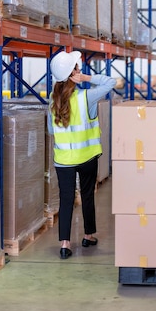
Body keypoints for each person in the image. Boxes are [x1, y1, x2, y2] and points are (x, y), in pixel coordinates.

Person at [48, 50, 116, 259]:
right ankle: (88, 235)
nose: (81, 69)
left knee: (66, 199)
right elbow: (110, 82)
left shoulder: (53, 101)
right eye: (77, 68)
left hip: (63, 160)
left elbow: (52, 132)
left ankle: (65, 244)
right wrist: (86, 79)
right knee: (87, 195)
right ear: (73, 73)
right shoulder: (87, 96)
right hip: (87, 157)